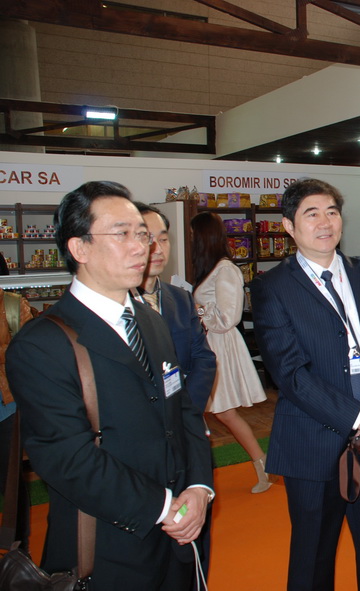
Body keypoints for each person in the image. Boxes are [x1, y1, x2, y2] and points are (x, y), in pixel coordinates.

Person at [6, 181, 214, 590]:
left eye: (143, 234)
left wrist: (198, 486)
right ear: (79, 248)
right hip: (108, 544)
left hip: (180, 536)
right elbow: (68, 459)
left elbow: (182, 411)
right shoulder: (41, 344)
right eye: (122, 234)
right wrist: (164, 507)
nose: (142, 247)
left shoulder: (151, 320)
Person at [249, 178, 360, 591]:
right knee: (313, 557)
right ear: (289, 226)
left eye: (332, 212)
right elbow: (290, 373)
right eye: (312, 214)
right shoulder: (271, 287)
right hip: (312, 441)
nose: (325, 222)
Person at [134, 202, 217, 583]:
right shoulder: (118, 306)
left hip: (186, 435)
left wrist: (186, 412)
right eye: (146, 238)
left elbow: (203, 359)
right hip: (142, 446)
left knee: (194, 546)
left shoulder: (179, 298)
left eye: (163, 238)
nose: (157, 248)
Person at [190, 211, 272, 494]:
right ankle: (261, 465)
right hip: (211, 344)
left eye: (193, 235)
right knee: (219, 412)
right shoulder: (213, 268)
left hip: (221, 346)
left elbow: (229, 317)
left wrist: (198, 311)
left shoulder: (225, 269)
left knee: (224, 412)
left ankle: (262, 465)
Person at [0, 260, 35, 549]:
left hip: (7, 406)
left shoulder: (12, 305)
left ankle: (18, 544)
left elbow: (27, 353)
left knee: (11, 481)